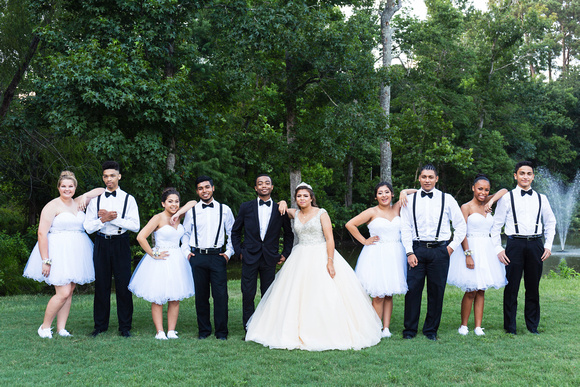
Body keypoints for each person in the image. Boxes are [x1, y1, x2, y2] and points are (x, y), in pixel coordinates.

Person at [245, 183, 382, 351]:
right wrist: (282, 201)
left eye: (305, 196)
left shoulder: (321, 213)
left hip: (320, 254)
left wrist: (330, 261)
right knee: (295, 294)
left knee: (324, 293)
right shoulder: (293, 213)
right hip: (300, 256)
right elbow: (282, 208)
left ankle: (326, 330)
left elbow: (330, 239)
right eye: (299, 196)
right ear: (295, 199)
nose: (302, 198)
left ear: (311, 198)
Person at [23, 171, 104, 338]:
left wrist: (85, 195)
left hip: (77, 252)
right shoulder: (52, 206)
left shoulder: (78, 202)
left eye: (71, 186)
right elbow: (41, 234)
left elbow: (102, 190)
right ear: (58, 187)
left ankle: (61, 328)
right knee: (63, 292)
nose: (67, 189)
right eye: (64, 186)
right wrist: (46, 259)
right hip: (57, 252)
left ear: (75, 187)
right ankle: (45, 327)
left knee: (70, 289)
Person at [400, 164, 466, 341]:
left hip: (440, 250)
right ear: (419, 179)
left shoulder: (448, 199)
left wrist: (450, 248)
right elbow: (405, 228)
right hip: (417, 250)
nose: (427, 180)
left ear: (436, 179)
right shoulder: (410, 200)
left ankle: (431, 330)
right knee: (413, 290)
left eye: (430, 177)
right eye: (424, 177)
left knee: (437, 291)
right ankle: (410, 330)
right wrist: (409, 252)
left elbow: (461, 226)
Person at [491, 161, 556, 335]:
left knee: (533, 286)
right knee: (511, 287)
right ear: (515, 176)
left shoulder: (542, 198)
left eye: (528, 173)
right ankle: (510, 327)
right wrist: (498, 248)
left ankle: (532, 325)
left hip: (536, 244)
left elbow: (550, 222)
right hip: (514, 244)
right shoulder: (507, 198)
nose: (525, 176)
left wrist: (548, 245)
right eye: (522, 173)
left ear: (533, 176)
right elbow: (496, 225)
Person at [345, 182, 416, 338]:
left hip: (395, 254)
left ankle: (386, 328)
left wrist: (404, 191)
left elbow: (418, 191)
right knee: (378, 294)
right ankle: (374, 327)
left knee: (389, 292)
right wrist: (364, 241)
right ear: (376, 196)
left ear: (392, 194)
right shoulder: (372, 211)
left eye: (387, 192)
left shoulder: (398, 207)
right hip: (376, 255)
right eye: (380, 193)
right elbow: (350, 224)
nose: (384, 195)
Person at [129, 188, 195, 340]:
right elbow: (141, 237)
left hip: (177, 260)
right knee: (158, 298)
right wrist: (153, 254)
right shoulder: (158, 218)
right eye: (170, 201)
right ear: (163, 203)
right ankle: (160, 331)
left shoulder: (179, 216)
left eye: (176, 201)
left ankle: (171, 330)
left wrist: (178, 213)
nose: (174, 204)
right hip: (161, 260)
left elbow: (193, 202)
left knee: (175, 297)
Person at [84, 161, 140, 338]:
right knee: (101, 285)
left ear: (119, 176)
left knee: (124, 286)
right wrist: (102, 220)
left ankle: (125, 327)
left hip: (121, 243)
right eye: (106, 176)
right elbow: (88, 227)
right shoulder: (96, 201)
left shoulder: (128, 199)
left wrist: (112, 219)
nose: (109, 179)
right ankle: (100, 326)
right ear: (103, 178)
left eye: (112, 175)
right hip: (101, 243)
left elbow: (135, 226)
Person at [447, 174, 508, 336]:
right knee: (471, 290)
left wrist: (491, 201)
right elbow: (462, 233)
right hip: (470, 248)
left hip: (486, 250)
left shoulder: (488, 203)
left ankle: (478, 326)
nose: (483, 192)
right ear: (473, 188)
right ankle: (464, 325)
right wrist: (468, 254)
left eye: (486, 189)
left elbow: (504, 190)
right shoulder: (466, 207)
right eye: (480, 188)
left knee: (481, 289)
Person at [232, 174, 294, 332]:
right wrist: (240, 252)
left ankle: (267, 329)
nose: (264, 186)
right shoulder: (246, 207)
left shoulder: (280, 209)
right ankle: (249, 328)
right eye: (260, 183)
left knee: (269, 294)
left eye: (267, 183)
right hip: (249, 256)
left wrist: (285, 254)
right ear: (256, 188)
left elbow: (289, 234)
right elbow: (235, 232)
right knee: (248, 294)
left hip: (270, 258)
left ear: (272, 187)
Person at [178, 176, 235, 340]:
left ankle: (221, 332)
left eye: (207, 187)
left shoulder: (225, 209)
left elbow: (232, 233)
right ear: (197, 191)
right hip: (198, 257)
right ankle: (203, 331)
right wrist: (187, 253)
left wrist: (228, 253)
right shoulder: (192, 211)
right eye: (201, 188)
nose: (204, 191)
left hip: (218, 257)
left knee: (221, 296)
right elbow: (185, 234)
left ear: (213, 188)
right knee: (201, 297)